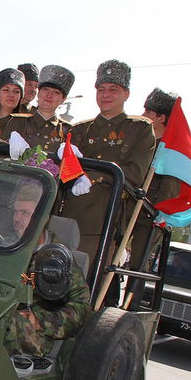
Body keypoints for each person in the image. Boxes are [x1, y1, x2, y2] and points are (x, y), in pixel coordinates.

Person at [59, 59, 156, 261]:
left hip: (102, 220)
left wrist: (94, 177)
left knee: (84, 284)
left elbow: (135, 174)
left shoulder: (139, 129)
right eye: (101, 89)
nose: (105, 95)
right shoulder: (79, 129)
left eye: (113, 89)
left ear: (126, 94)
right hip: (67, 215)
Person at [5, 185, 91, 358]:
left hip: (28, 334)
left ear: (43, 218)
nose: (17, 218)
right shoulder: (5, 246)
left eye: (25, 213)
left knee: (6, 323)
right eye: (16, 212)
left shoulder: (58, 261)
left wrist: (39, 320)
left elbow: (80, 310)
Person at [126, 88, 183, 306]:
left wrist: (151, 207)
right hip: (126, 209)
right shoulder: (142, 140)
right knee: (110, 255)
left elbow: (169, 190)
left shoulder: (169, 151)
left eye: (148, 111)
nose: (143, 114)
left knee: (139, 265)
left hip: (148, 216)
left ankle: (129, 308)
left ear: (161, 117)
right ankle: (108, 299)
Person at [19, 65, 75, 154]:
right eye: (46, 89)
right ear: (39, 93)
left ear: (63, 99)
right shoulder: (16, 121)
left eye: (56, 92)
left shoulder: (69, 131)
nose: (49, 95)